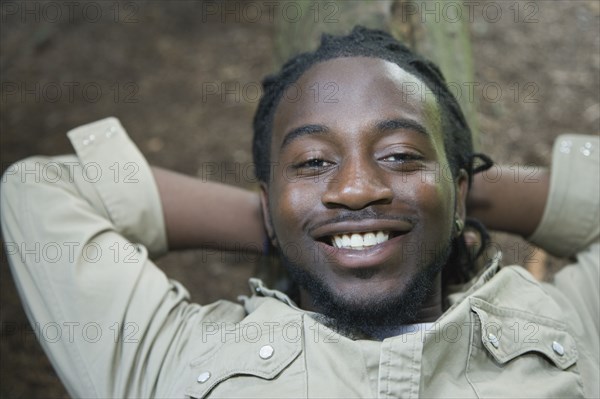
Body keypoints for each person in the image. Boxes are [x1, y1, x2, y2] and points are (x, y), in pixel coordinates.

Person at [1, 27, 598, 398]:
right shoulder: (170, 358)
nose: (358, 187)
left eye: (399, 154)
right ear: (269, 200)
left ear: (460, 189)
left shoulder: (566, 328)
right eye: (313, 163)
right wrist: (290, 227)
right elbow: (43, 189)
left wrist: (445, 207)